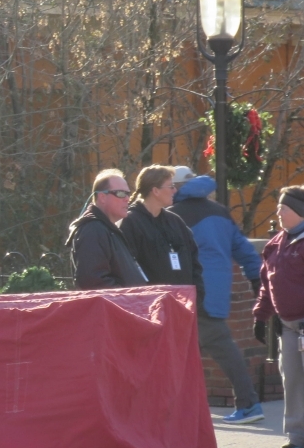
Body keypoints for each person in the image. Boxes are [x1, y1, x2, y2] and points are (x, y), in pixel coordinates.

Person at [170, 167, 264, 424]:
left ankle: (247, 404)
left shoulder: (173, 215)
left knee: (179, 353)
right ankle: (247, 404)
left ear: (175, 187)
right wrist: (258, 280)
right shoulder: (219, 210)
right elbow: (243, 249)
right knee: (217, 349)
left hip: (193, 293)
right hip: (217, 291)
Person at [253, 186, 304, 448]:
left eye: (283, 208)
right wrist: (261, 317)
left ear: (299, 210)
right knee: (292, 380)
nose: (278, 213)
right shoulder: (275, 244)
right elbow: (267, 284)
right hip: (288, 327)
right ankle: (297, 436)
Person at [119, 164, 205, 304]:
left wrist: (197, 296)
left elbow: (194, 261)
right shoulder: (130, 223)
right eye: (170, 186)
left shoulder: (175, 222)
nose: (175, 190)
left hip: (183, 306)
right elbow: (129, 269)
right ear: (155, 191)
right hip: (150, 308)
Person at [65, 168, 147, 289]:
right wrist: (128, 299)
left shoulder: (108, 229)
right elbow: (93, 282)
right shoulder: (92, 230)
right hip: (115, 306)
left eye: (128, 193)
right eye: (120, 193)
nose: (127, 198)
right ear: (102, 197)